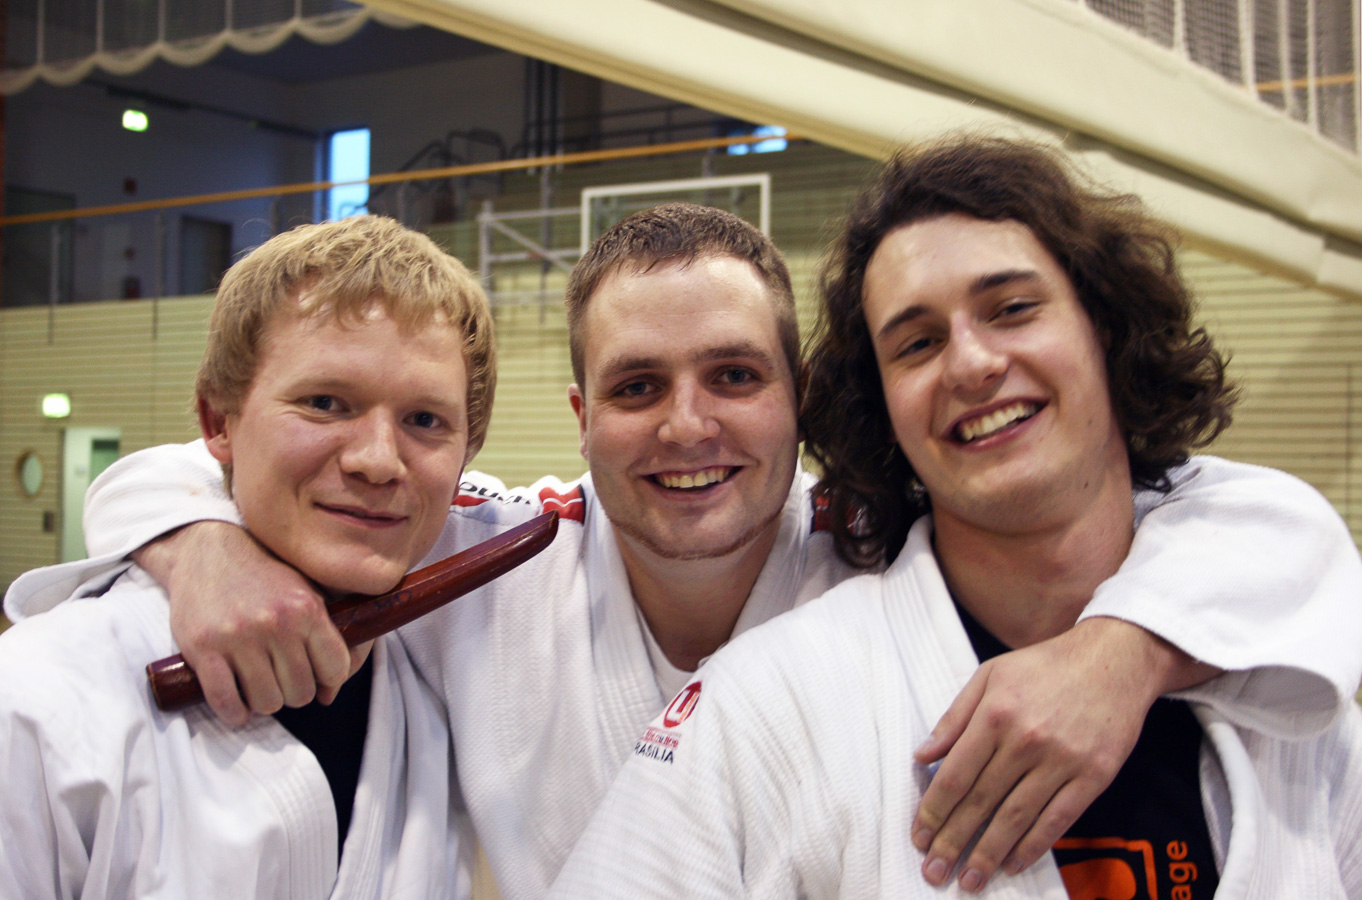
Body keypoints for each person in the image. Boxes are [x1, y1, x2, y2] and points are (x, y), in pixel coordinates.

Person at [17, 204, 1360, 898]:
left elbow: (1243, 515)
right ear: (580, 414)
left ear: (802, 397)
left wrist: (1124, 649)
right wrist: (195, 539)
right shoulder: (493, 554)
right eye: (638, 386)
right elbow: (278, 463)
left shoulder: (881, 549)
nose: (687, 427)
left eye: (733, 375)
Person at [549, 136, 1362, 898]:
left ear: (1105, 327)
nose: (972, 363)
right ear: (881, 404)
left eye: (1012, 308)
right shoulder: (762, 706)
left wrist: (1126, 653)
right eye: (916, 344)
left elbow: (1289, 526)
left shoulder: (1276, 677)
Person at [0, 215, 497, 898]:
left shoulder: (447, 677)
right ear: (218, 422)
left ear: (466, 454)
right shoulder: (37, 700)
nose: (380, 460)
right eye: (325, 403)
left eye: (425, 421)